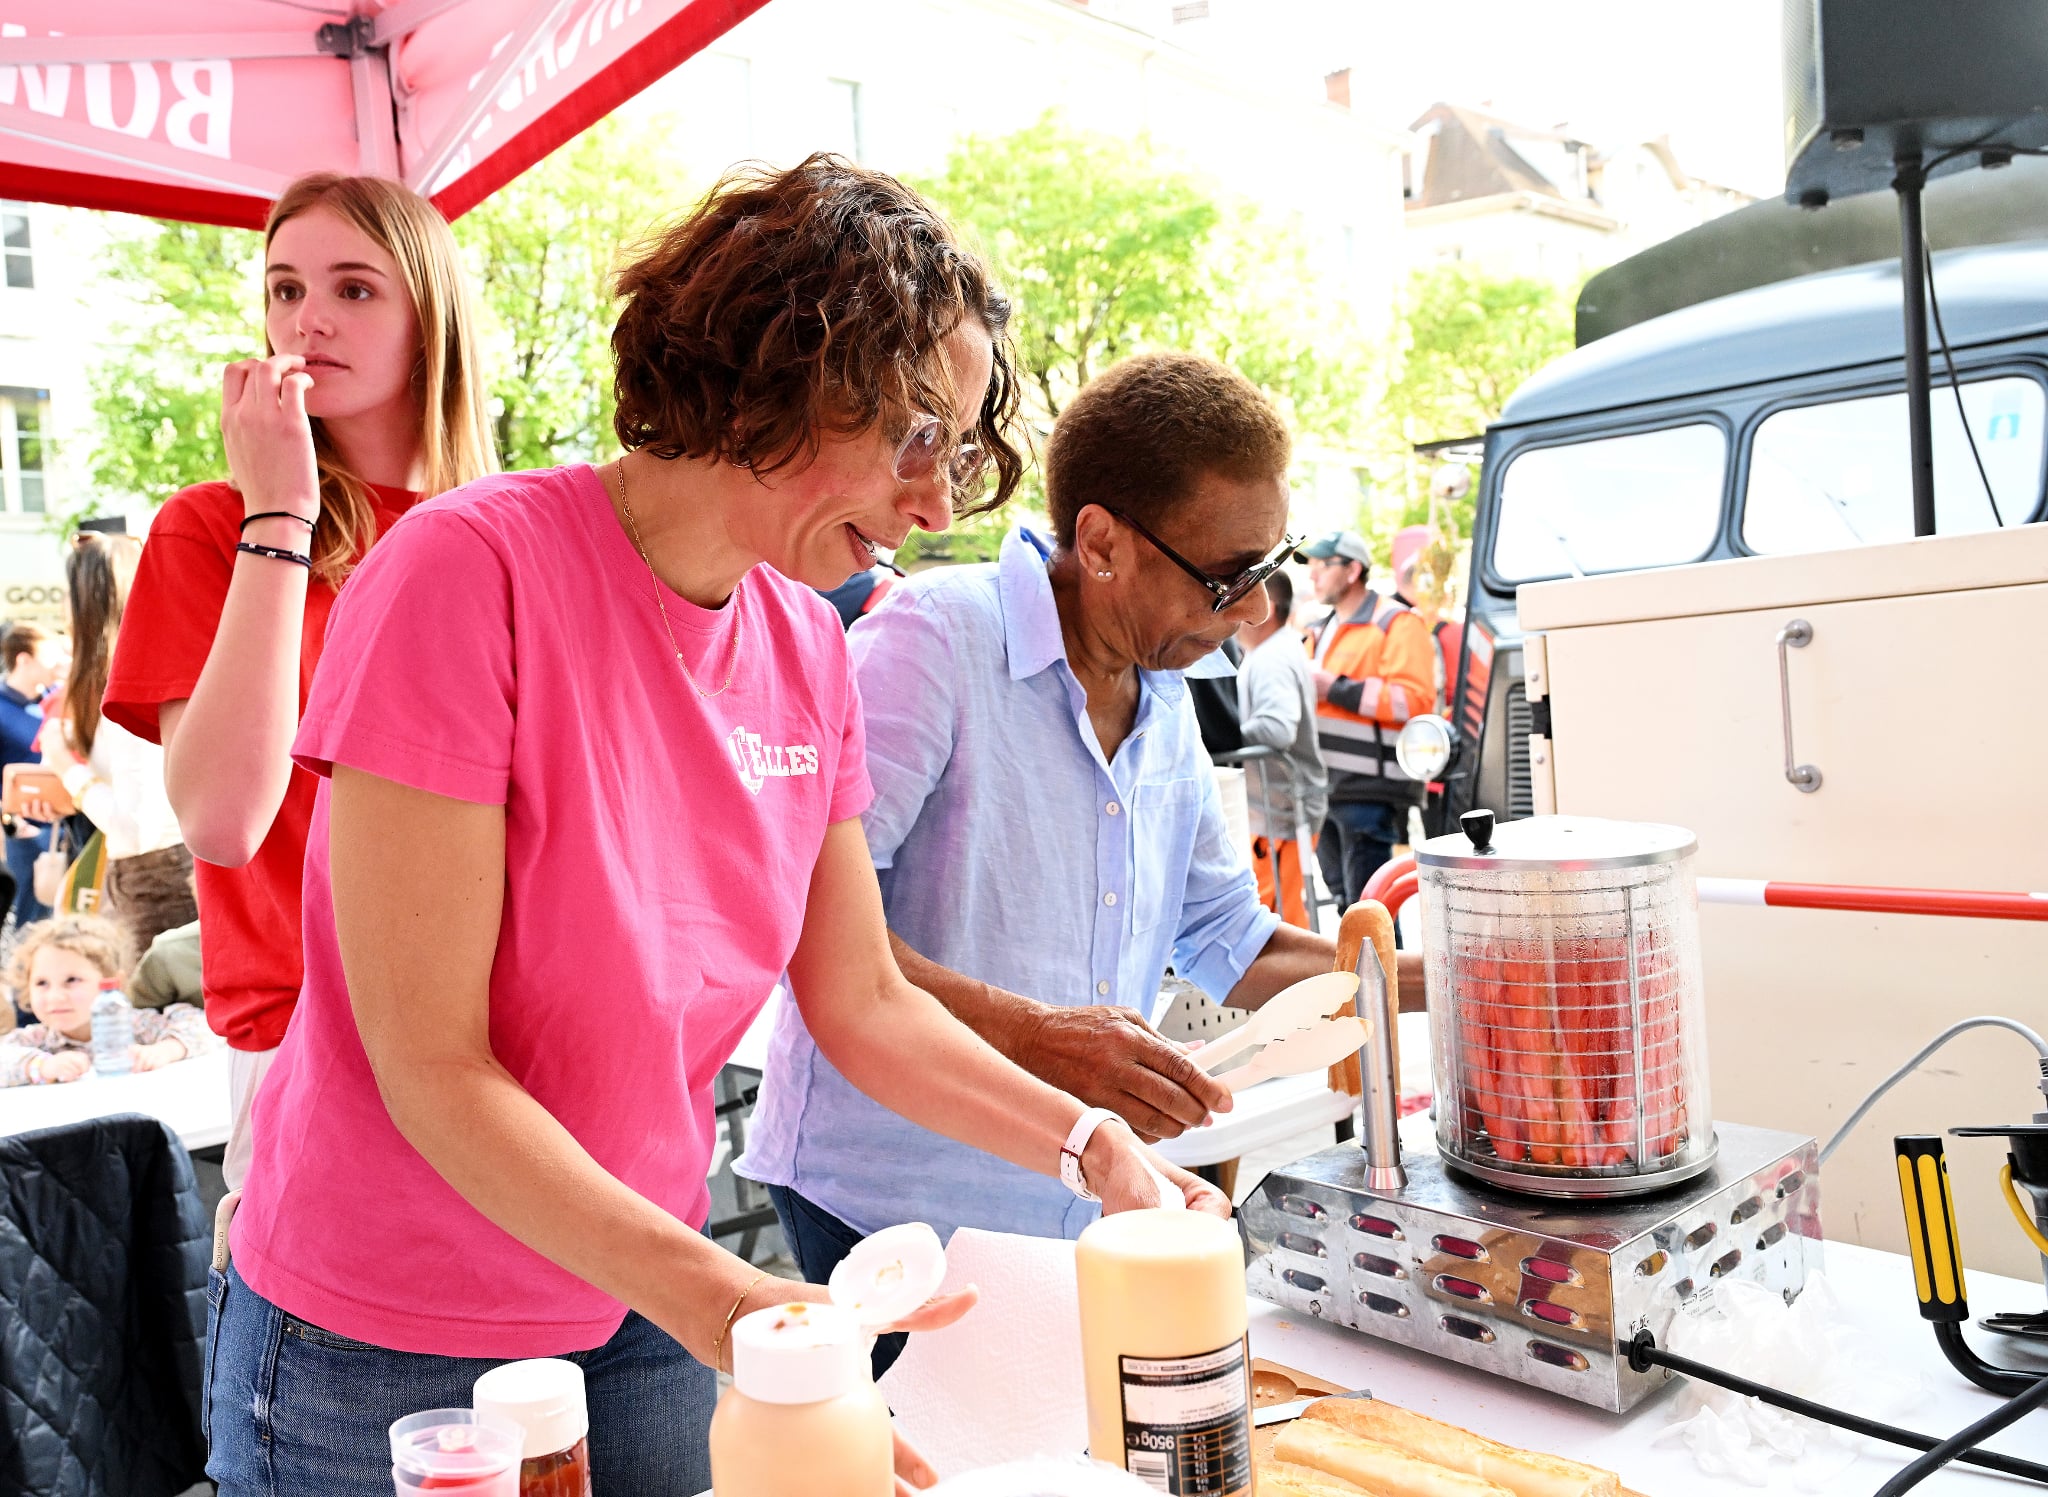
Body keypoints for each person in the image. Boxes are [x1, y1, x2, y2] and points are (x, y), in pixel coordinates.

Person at [204, 156, 1215, 1497]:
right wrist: (730, 1304)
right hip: (389, 1345)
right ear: (776, 376)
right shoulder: (465, 573)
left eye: (959, 455)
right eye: (918, 437)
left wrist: (1088, 1145)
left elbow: (861, 999)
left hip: (640, 1299)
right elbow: (431, 1064)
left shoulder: (806, 643)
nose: (935, 503)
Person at [741, 353, 1354, 1369]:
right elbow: (799, 924)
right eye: (1227, 579)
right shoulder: (936, 641)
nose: (1251, 613)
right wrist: (1036, 1038)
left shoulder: (1163, 695)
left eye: (1267, 570)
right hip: (891, 1203)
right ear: (1102, 542)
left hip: (1072, 1196)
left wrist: (1453, 971)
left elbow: (1228, 938)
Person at [103, 173, 498, 1192]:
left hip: (501, 1028)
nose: (306, 318)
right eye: (284, 289)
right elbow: (223, 821)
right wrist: (279, 514)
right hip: (306, 1034)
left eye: (353, 289)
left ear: (430, 320)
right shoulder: (211, 525)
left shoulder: (505, 530)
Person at [33, 534, 198, 963]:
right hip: (154, 874)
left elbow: (138, 828)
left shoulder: (132, 686)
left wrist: (69, 769)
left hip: (160, 880)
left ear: (87, 603)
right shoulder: (130, 677)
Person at [1302, 530, 1435, 908]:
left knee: (1369, 909)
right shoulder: (1319, 630)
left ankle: (1382, 953)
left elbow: (1414, 700)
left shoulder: (1397, 622)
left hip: (1370, 790)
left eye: (1323, 565)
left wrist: (1336, 688)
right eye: (1311, 565)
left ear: (1352, 570)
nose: (1313, 574)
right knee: (1351, 907)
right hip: (1325, 789)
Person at [0, 914, 219, 1086]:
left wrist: (166, 1050)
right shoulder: (37, 1040)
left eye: (72, 980)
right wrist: (40, 1066)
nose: (55, 996)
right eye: (41, 983)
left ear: (113, 982)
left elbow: (203, 1026)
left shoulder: (135, 1026)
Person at [1234, 569, 1326, 928]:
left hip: (1282, 815)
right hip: (1279, 811)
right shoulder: (1273, 649)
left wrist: (1225, 736)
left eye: (1236, 599)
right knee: (1279, 916)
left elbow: (1277, 728)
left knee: (1280, 922)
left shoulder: (1272, 657)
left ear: (1265, 608)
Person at [0, 624, 60, 928]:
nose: (57, 664)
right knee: (30, 918)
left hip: (65, 825)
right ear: (23, 660)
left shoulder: (57, 701)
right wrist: (12, 825)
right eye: (49, 656)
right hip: (24, 830)